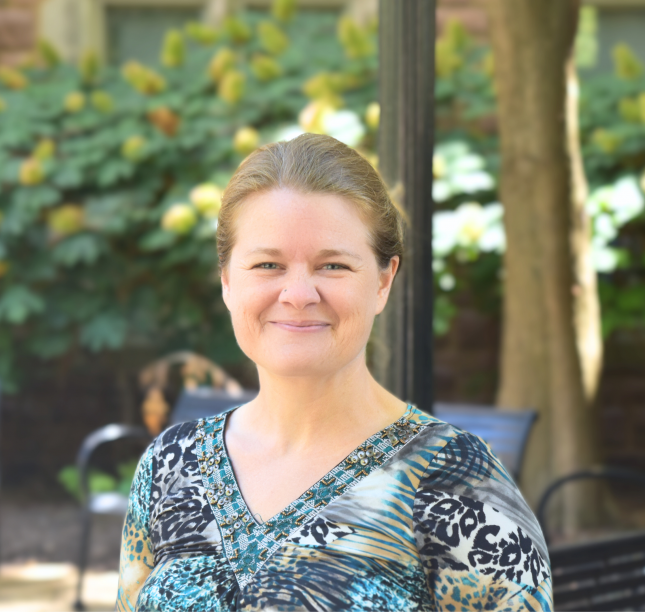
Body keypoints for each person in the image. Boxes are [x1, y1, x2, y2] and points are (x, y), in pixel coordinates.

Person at [116, 133, 552, 611]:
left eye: (333, 265)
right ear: (226, 280)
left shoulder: (457, 483)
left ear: (384, 281)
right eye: (267, 264)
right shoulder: (170, 465)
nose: (299, 293)